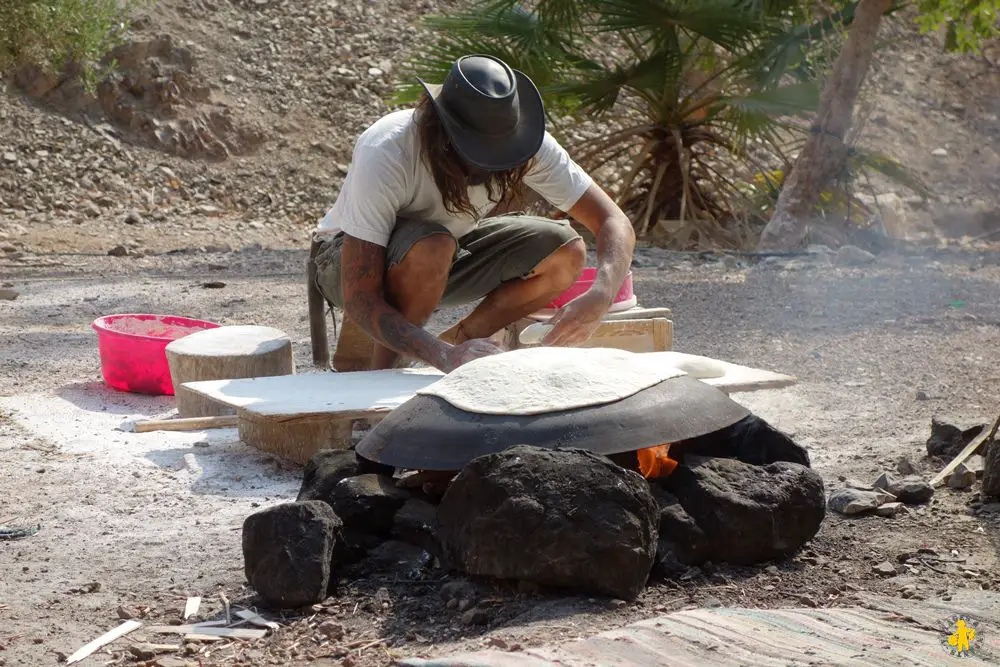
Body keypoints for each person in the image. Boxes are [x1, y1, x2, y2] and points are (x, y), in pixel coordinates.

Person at [311, 54, 635, 373]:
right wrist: (438, 355)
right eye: (477, 153)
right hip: (344, 260)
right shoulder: (388, 149)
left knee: (565, 252)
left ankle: (461, 345)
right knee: (432, 247)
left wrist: (602, 293)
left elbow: (613, 220)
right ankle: (380, 383)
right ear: (440, 132)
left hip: (445, 251)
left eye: (499, 155)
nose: (490, 164)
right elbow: (361, 297)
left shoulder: (521, 142)